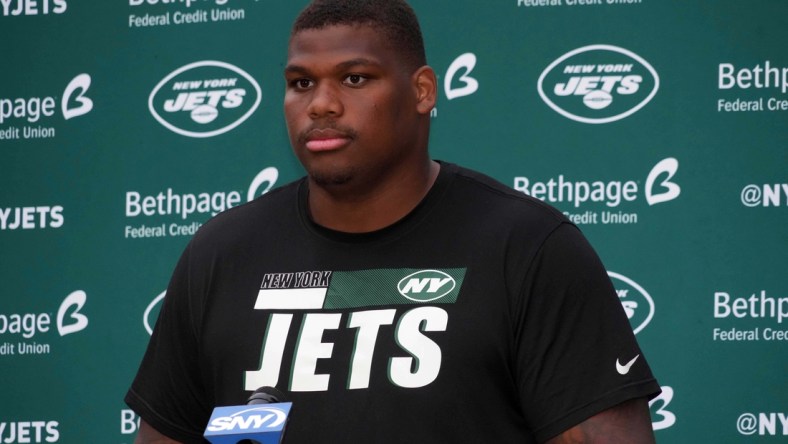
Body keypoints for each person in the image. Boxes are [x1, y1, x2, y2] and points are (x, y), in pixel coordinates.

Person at [126, 0, 661, 442]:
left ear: (422, 91)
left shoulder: (526, 248)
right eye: (300, 83)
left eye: (355, 78)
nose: (322, 105)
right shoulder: (222, 253)